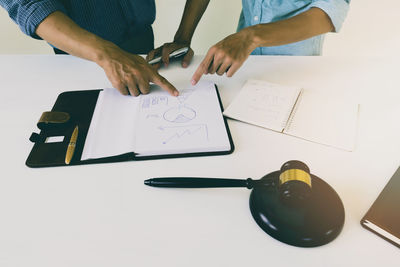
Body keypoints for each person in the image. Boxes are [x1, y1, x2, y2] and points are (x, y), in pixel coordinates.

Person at [0, 0, 180, 96]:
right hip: (79, 57)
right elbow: (29, 4)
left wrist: (183, 36)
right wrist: (106, 54)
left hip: (144, 44)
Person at [147, 0, 351, 85]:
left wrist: (251, 36)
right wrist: (182, 38)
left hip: (295, 71)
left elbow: (327, 14)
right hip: (243, 69)